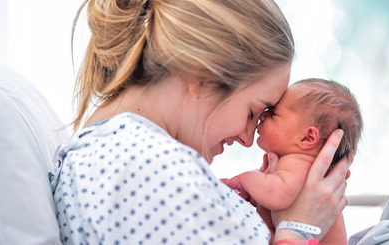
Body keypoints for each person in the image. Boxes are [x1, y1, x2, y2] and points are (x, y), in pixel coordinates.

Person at [50, 0, 352, 244]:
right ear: (203, 77)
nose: (249, 139)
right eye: (252, 112)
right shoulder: (150, 169)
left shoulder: (120, 153)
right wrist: (300, 227)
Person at [222, 78, 363, 245]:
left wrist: (243, 180)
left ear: (307, 138)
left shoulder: (301, 164)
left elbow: (277, 195)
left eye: (273, 113)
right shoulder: (298, 166)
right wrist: (256, 192)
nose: (262, 115)